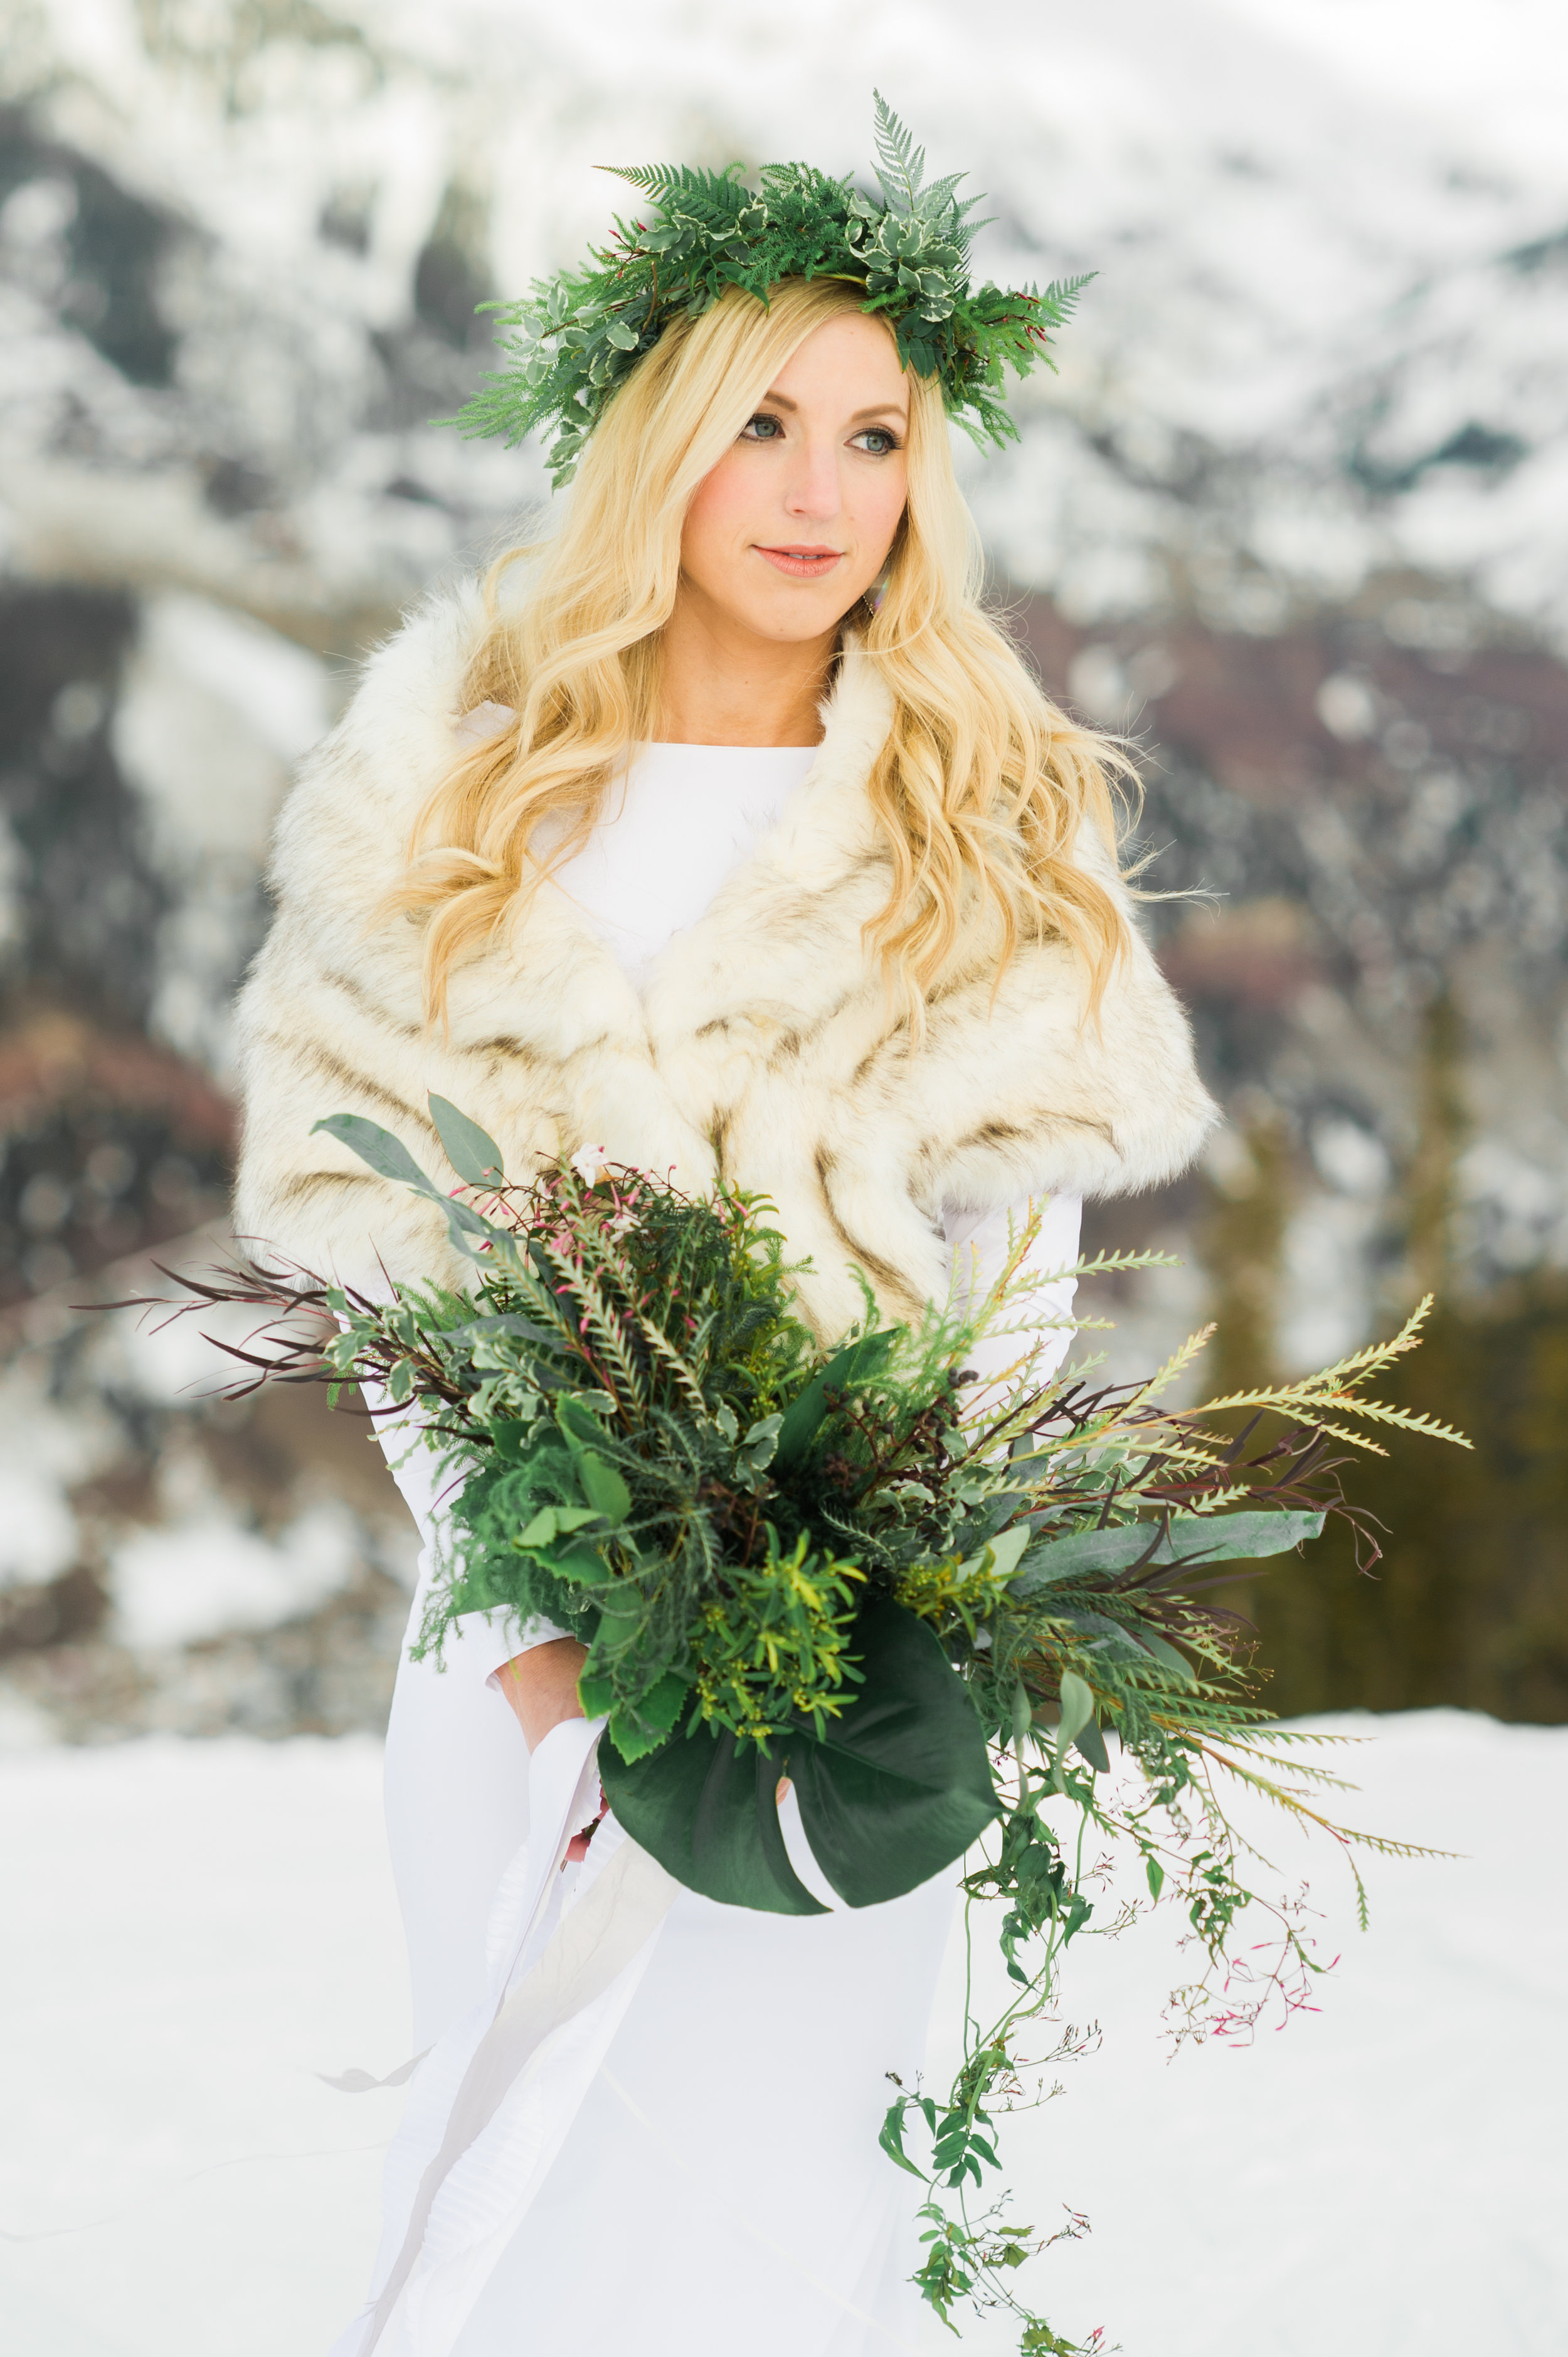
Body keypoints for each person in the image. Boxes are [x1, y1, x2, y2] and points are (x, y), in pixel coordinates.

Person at [233, 115, 1215, 2357]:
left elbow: (1014, 1277)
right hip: (513, 1676)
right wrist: (538, 1644)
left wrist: (894, 1601)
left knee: (781, 2228)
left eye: (872, 434)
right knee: (530, 2221)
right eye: (758, 422)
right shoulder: (453, 806)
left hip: (839, 1696)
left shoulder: (982, 830)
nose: (813, 488)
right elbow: (402, 1278)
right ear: (657, 442)